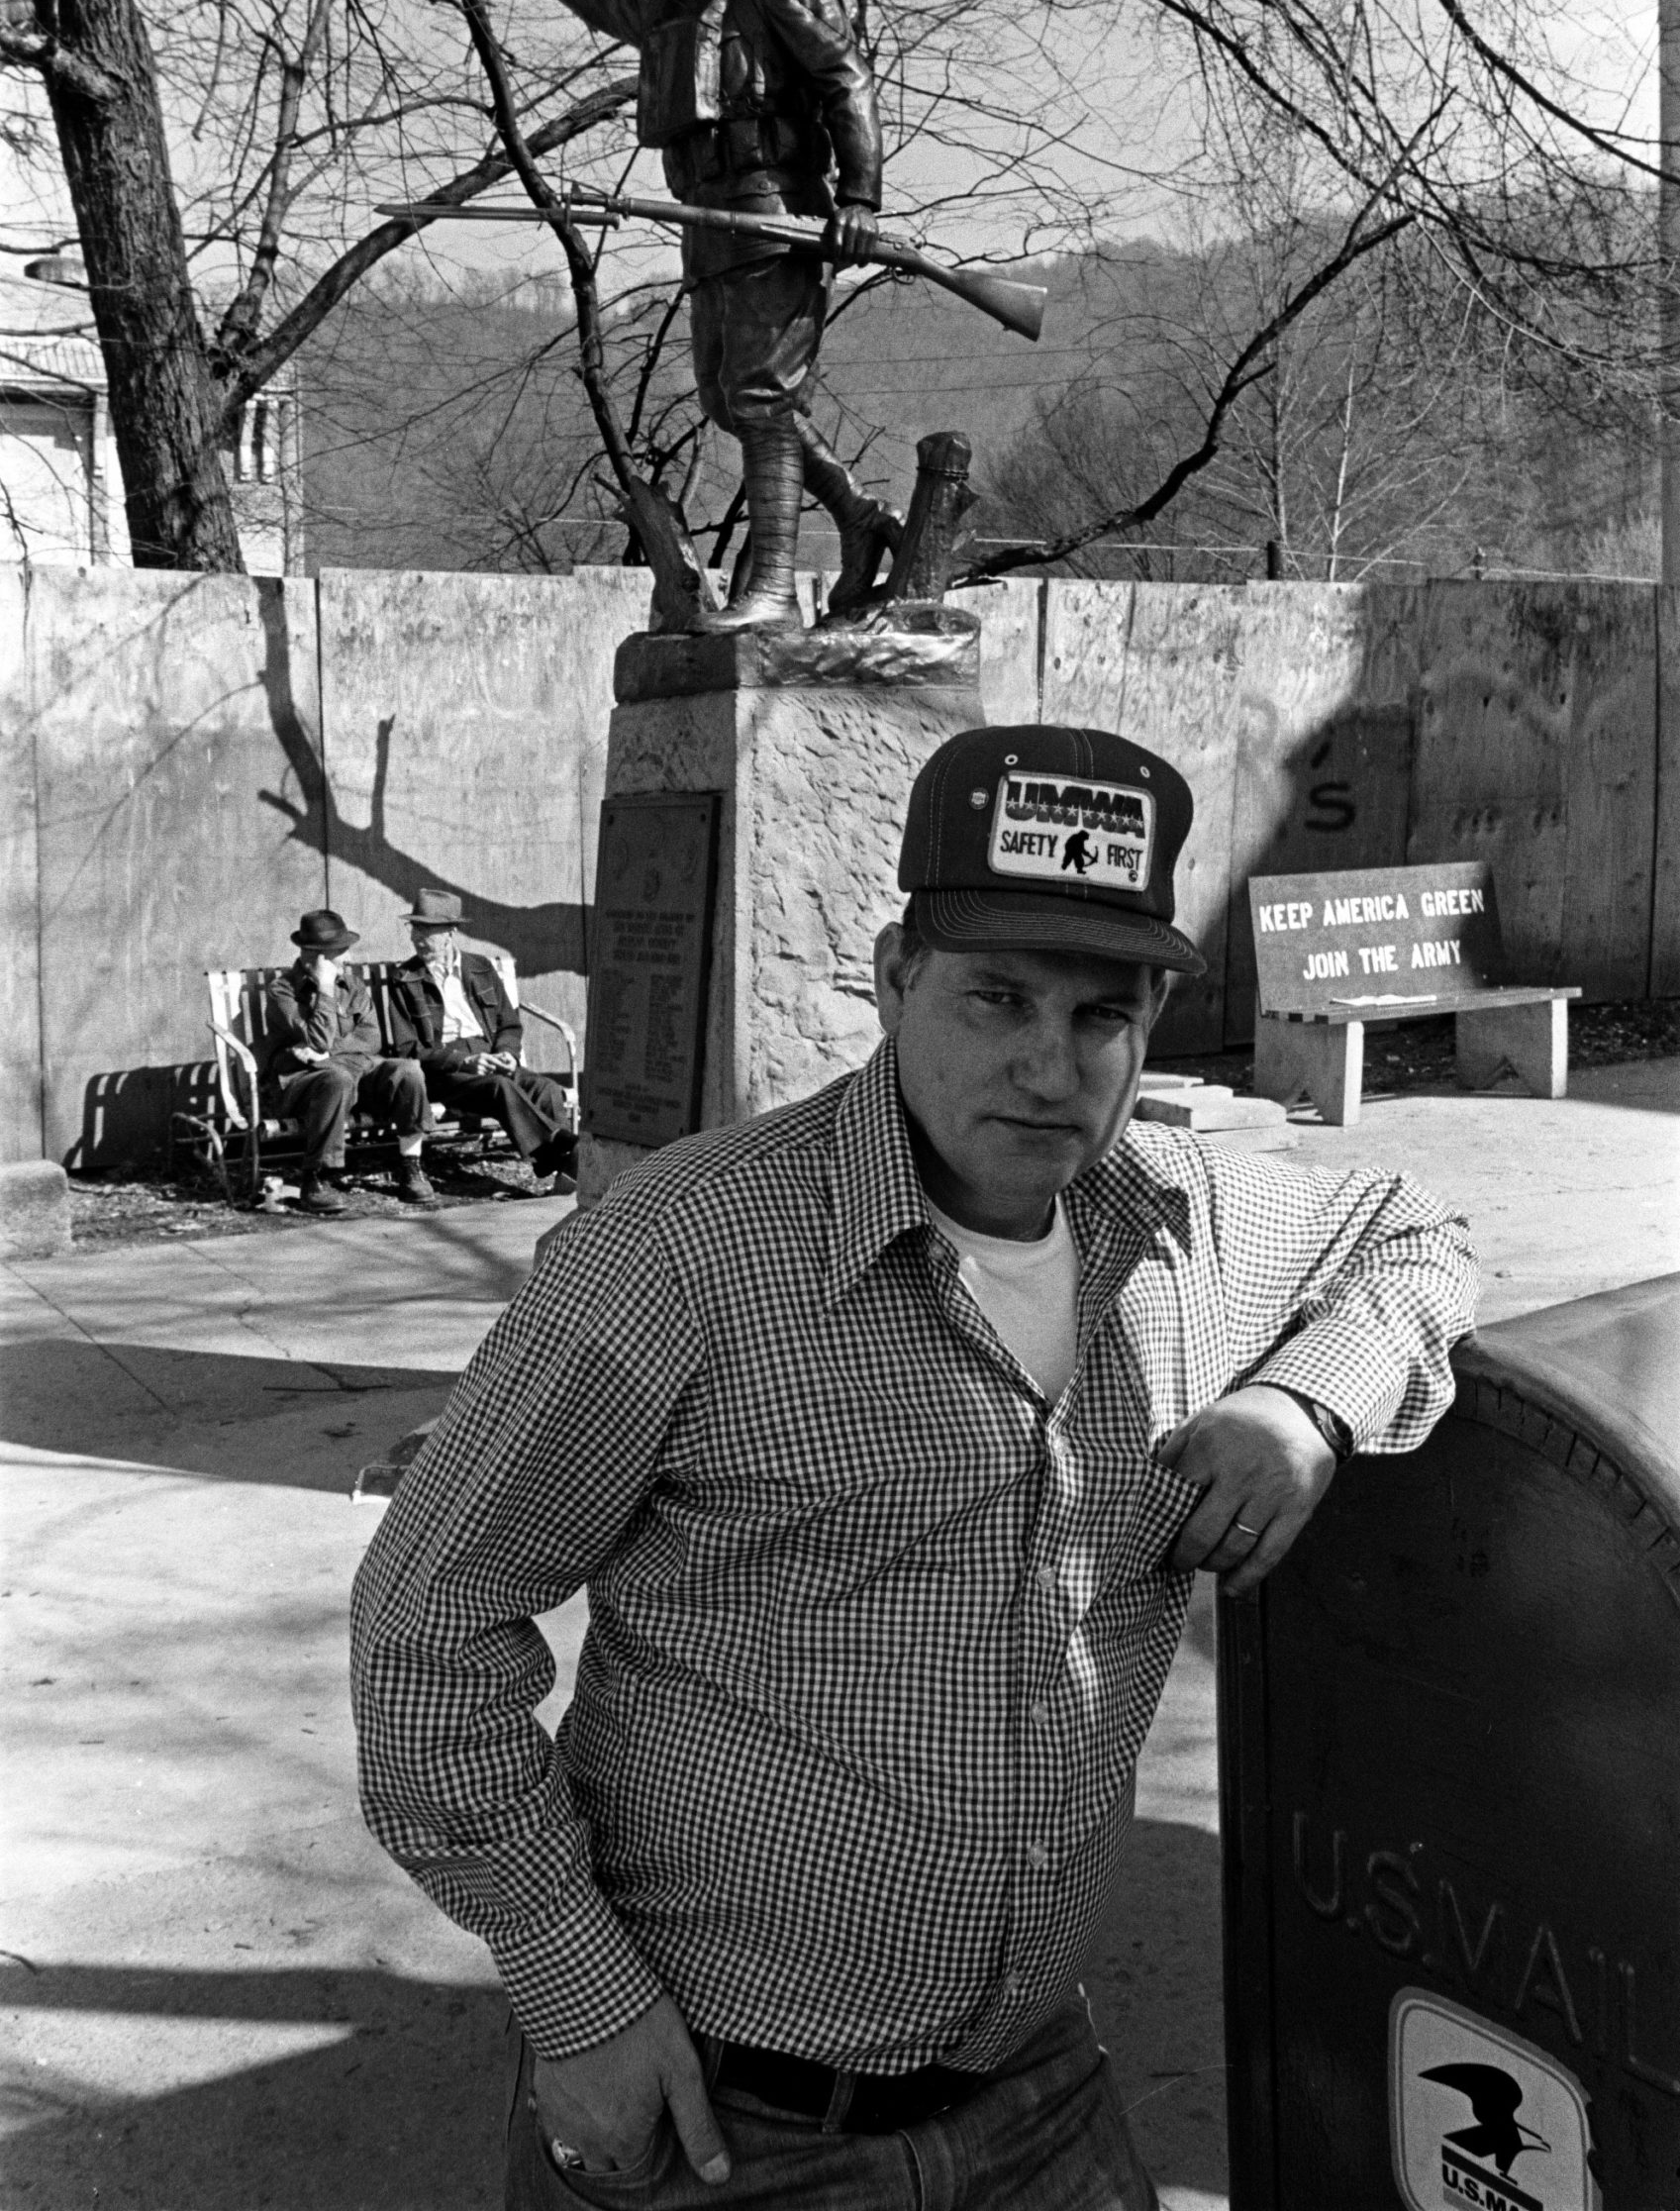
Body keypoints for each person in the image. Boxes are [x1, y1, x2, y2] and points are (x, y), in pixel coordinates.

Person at [350, 725, 1477, 2210]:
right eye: (996, 996)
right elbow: (427, 1624)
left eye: (1102, 1015)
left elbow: (1421, 1236)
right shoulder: (684, 1256)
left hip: (1035, 2091)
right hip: (717, 2115)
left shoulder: (1186, 1223)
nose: (1047, 1064)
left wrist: (1302, 1407)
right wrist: (581, 2004)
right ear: (893, 979)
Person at [482, 0, 901, 629]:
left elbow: (847, 81)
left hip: (775, 212)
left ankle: (772, 585)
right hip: (703, 218)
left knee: (761, 397)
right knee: (722, 397)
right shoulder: (666, 7)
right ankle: (857, 513)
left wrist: (859, 197)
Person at [388, 889, 577, 1188]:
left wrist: (507, 1054)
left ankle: (564, 1175)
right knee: (501, 1088)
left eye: (425, 929)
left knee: (547, 1088)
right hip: (443, 1070)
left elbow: (509, 1024)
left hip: (490, 1057)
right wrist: (465, 1061)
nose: (415, 937)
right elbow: (408, 1048)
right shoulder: (405, 979)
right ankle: (571, 1153)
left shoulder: (480, 968)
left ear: (451, 932)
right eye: (414, 928)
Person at [261, 909, 436, 1213]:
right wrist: (325, 989)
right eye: (339, 953)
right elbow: (318, 1039)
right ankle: (316, 1178)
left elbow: (371, 1040)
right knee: (336, 1079)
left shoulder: (353, 986)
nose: (347, 959)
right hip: (302, 1086)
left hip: (353, 1073)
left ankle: (411, 1167)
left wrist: (328, 1053)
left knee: (407, 1071)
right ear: (315, 957)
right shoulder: (283, 991)